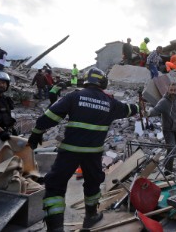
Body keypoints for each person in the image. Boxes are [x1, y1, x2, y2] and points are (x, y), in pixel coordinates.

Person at [27, 67, 139, 231]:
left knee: (55, 185)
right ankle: (91, 216)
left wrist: (36, 133)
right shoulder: (110, 102)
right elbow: (128, 109)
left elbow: (49, 116)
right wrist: (137, 106)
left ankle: (55, 227)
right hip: (93, 153)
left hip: (69, 151)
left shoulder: (74, 96)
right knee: (93, 184)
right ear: (103, 82)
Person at [146, 83, 176, 174]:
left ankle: (167, 166)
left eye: (174, 90)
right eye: (171, 90)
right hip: (168, 130)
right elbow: (156, 110)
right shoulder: (164, 102)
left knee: (173, 149)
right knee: (171, 147)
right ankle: (167, 171)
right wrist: (148, 113)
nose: (173, 92)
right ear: (168, 90)